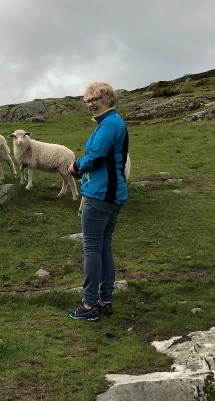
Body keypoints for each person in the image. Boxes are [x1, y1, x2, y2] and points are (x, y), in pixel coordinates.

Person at [66, 81, 129, 321]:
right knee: (104, 247)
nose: (91, 104)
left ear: (107, 98)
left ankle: (90, 304)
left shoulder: (109, 123)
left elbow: (97, 156)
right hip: (113, 194)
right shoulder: (112, 122)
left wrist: (76, 166)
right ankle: (105, 300)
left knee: (92, 249)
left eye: (95, 99)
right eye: (88, 101)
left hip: (100, 194)